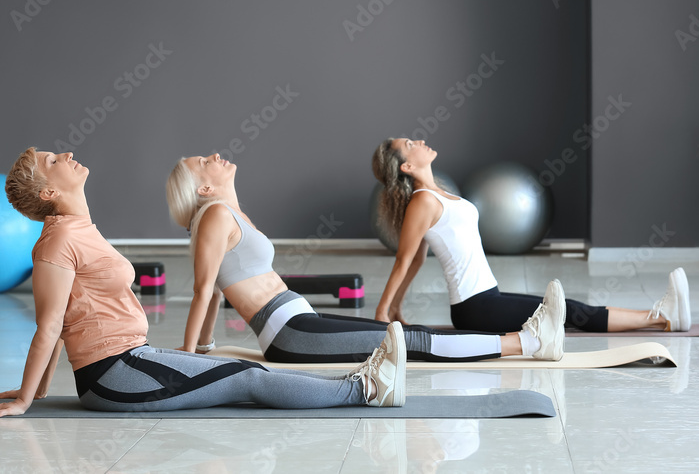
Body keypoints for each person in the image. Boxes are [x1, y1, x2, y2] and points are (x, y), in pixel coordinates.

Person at [0, 149, 407, 418]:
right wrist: (27, 397)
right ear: (48, 193)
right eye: (51, 161)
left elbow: (63, 320)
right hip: (113, 374)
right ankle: (366, 388)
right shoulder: (57, 240)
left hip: (129, 359)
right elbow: (49, 324)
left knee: (244, 374)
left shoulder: (79, 228)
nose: (64, 155)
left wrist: (42, 388)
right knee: (245, 377)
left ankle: (360, 383)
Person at [165, 154, 566, 365]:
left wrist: (205, 347)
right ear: (203, 187)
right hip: (290, 333)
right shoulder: (215, 216)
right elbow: (203, 291)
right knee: (412, 342)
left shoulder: (230, 216)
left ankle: (528, 339)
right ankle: (528, 343)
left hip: (302, 322)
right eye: (203, 161)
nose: (214, 155)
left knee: (402, 334)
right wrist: (187, 361)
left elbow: (215, 288)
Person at [371, 138, 692, 334]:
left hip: (487, 297)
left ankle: (662, 316)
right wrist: (383, 313)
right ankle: (662, 316)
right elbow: (405, 260)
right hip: (474, 308)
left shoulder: (437, 194)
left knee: (568, 308)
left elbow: (417, 261)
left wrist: (398, 310)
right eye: (410, 145)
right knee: (569, 311)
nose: (419, 142)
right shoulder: (423, 201)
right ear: (407, 167)